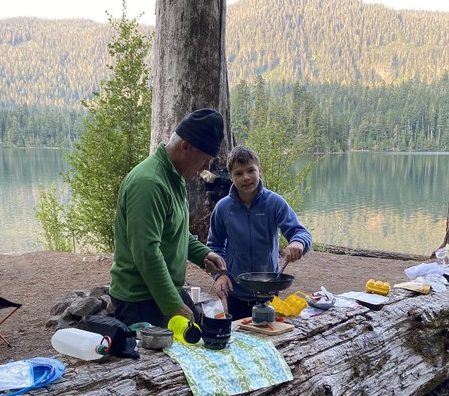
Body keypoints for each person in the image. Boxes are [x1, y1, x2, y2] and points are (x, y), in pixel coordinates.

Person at [109, 108, 228, 328]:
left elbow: (176, 232)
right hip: (140, 301)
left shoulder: (174, 177)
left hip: (162, 293)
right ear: (186, 147)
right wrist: (174, 305)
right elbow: (147, 252)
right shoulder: (149, 183)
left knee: (201, 339)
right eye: (204, 160)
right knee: (162, 362)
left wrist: (203, 254)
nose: (206, 169)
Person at [207, 145, 312, 320]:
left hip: (269, 292)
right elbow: (214, 246)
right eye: (239, 173)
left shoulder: (274, 202)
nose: (246, 177)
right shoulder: (223, 208)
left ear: (259, 171)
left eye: (251, 170)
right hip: (236, 293)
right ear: (231, 177)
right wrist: (219, 275)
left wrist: (298, 243)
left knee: (273, 341)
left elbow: (300, 232)